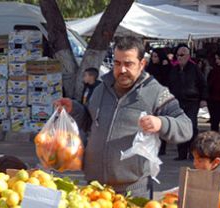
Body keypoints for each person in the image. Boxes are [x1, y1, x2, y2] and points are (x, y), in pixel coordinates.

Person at [55, 36, 193, 198]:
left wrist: (161, 123)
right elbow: (92, 123)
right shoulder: (101, 89)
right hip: (95, 188)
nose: (122, 70)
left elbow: (186, 127)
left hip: (133, 192)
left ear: (142, 64)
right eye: (117, 63)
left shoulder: (155, 92)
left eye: (128, 64)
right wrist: (76, 110)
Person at [167, 45, 208, 161]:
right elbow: (169, 85)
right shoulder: (174, 70)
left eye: (182, 55)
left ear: (188, 56)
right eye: (178, 55)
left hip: (192, 101)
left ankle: (192, 152)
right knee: (179, 127)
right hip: (178, 102)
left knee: (191, 126)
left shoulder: (194, 69)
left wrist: (203, 99)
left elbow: (203, 84)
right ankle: (181, 153)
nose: (179, 57)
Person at [146, 48, 171, 155]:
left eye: (156, 56)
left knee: (161, 123)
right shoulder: (150, 68)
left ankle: (162, 147)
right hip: (151, 98)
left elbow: (168, 79)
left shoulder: (166, 67)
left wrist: (166, 66)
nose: (154, 59)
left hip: (163, 98)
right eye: (153, 56)